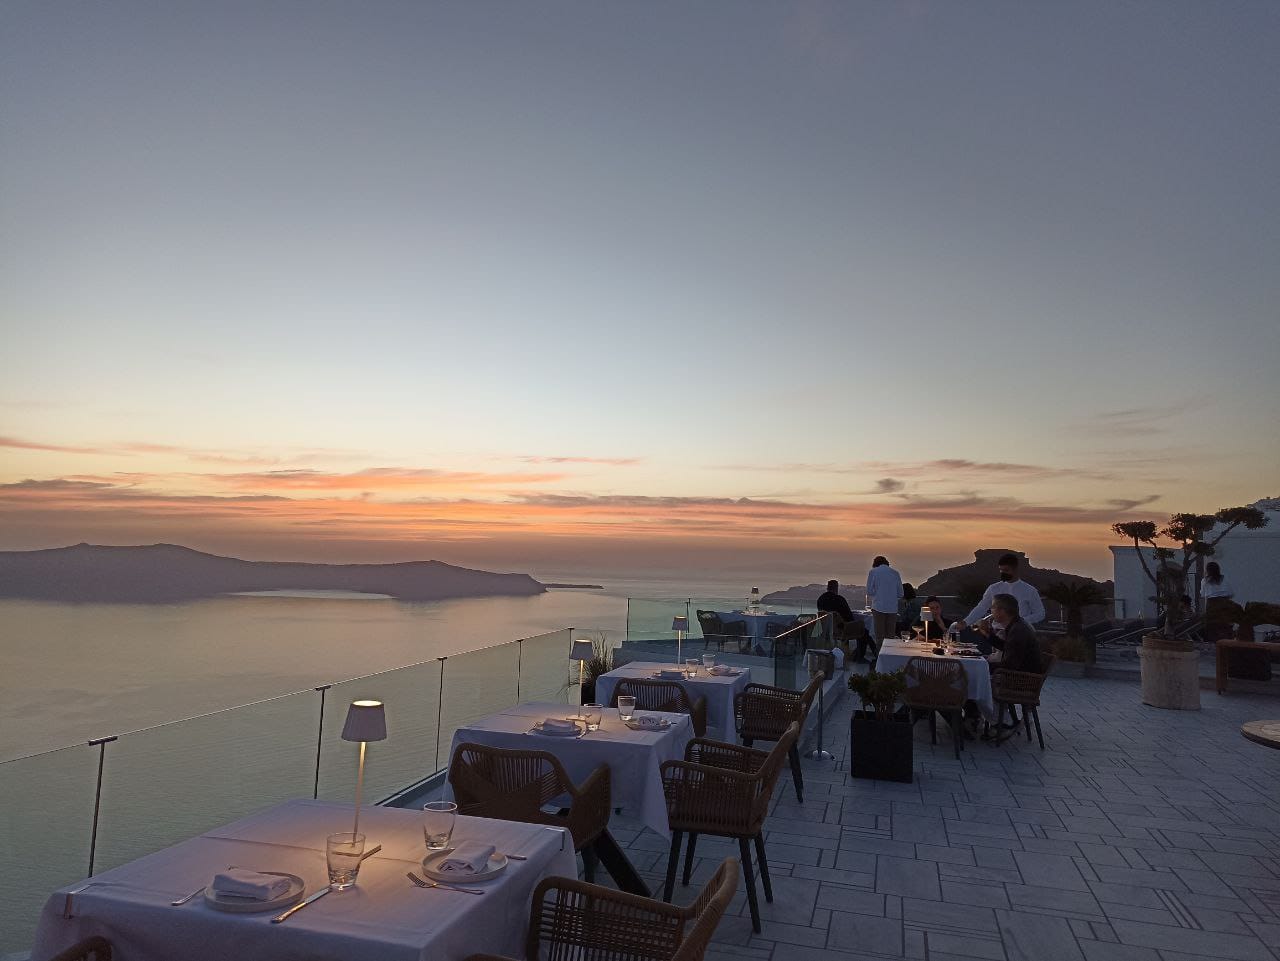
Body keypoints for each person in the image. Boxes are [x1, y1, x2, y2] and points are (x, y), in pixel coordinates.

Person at [979, 593, 1042, 737]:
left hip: (1020, 680)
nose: (991, 611)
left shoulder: (1018, 631)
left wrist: (982, 666)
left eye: (993, 607)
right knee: (978, 676)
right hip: (1021, 675)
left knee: (977, 684)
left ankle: (1003, 724)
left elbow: (1010, 664)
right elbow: (1008, 648)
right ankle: (998, 720)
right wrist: (988, 634)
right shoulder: (1017, 625)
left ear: (1001, 611)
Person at [954, 553, 1045, 636]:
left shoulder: (1029, 590)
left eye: (1006, 570)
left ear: (1015, 569)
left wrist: (1019, 621)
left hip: (1020, 633)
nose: (1003, 573)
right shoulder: (993, 588)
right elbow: (982, 607)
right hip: (997, 632)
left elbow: (1040, 613)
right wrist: (966, 622)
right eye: (1001, 570)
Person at [865, 555, 903, 659]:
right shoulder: (895, 573)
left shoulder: (873, 572)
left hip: (878, 607)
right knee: (890, 637)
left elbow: (869, 591)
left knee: (879, 638)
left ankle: (879, 662)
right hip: (892, 609)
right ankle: (889, 660)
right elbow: (901, 593)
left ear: (875, 564)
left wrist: (878, 593)